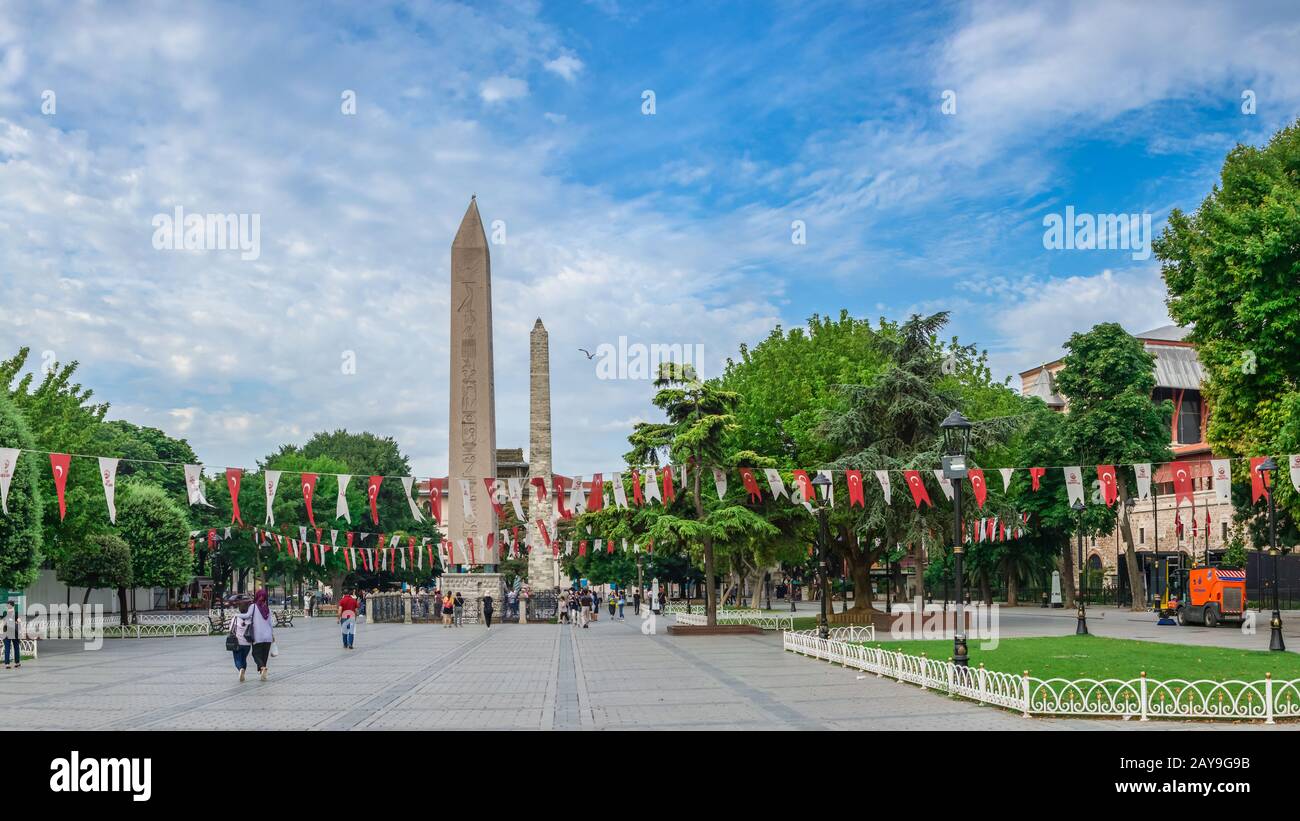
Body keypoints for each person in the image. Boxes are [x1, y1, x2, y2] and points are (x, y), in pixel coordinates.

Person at [249, 589, 276, 680]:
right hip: (268, 636)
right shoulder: (267, 608)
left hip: (258, 636)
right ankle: (262, 672)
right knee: (264, 655)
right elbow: (270, 624)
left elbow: (247, 616)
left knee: (255, 653)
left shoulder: (253, 606)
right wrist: (272, 635)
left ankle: (262, 668)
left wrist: (237, 616)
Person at [229, 601, 253, 681]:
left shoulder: (236, 618)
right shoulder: (250, 618)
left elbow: (231, 629)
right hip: (247, 643)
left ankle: (240, 670)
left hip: (237, 642)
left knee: (237, 659)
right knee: (244, 659)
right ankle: (243, 672)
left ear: (239, 609)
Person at [2, 601, 22, 670]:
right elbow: (19, 622)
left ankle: (7, 664)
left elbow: (4, 622)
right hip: (14, 632)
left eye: (7, 605)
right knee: (16, 647)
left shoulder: (5, 613)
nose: (6, 606)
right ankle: (17, 663)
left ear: (10, 605)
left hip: (6, 632)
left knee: (7, 648)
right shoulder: (16, 613)